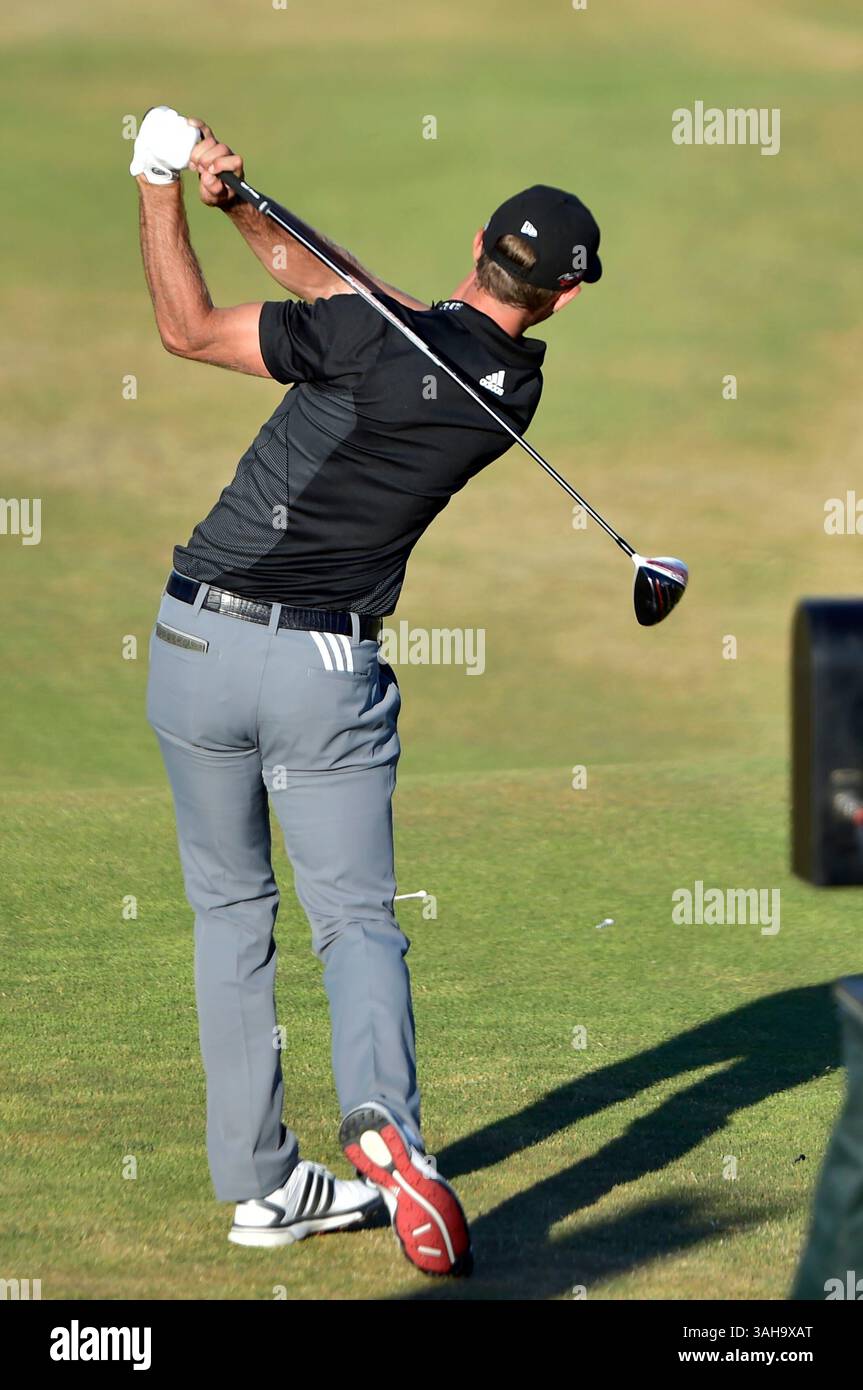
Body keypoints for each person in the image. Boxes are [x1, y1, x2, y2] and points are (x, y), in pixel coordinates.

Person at [131, 107, 601, 1276]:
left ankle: (256, 1185)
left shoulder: (361, 334)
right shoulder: (508, 390)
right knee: (352, 917)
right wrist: (245, 207)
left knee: (230, 916)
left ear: (479, 238)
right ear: (563, 300)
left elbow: (188, 332)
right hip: (322, 674)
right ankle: (384, 1124)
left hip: (190, 640)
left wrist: (163, 185)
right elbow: (369, 300)